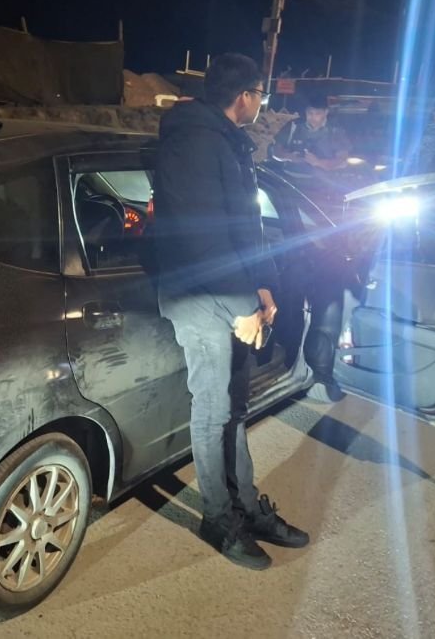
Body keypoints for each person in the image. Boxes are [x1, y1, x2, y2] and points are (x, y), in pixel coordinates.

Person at [153, 53, 309, 571]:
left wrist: (263, 285)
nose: (262, 103)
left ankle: (244, 503)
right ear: (244, 95)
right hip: (198, 294)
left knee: (235, 406)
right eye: (261, 94)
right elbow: (201, 236)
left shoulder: (226, 140)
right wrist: (245, 303)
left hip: (232, 289)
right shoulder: (195, 141)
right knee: (213, 408)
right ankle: (218, 517)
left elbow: (244, 225)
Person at [271, 93, 352, 171]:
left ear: (326, 112)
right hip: (290, 175)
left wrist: (318, 162)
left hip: (322, 178)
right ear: (306, 112)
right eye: (310, 113)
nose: (313, 117)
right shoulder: (293, 126)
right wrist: (289, 156)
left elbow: (342, 161)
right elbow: (275, 152)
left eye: (317, 114)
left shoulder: (336, 131)